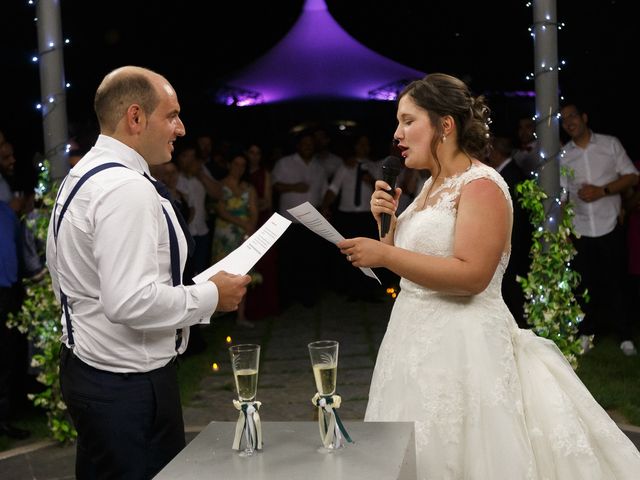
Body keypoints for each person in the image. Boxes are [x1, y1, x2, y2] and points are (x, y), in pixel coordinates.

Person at [337, 73, 640, 479]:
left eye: (408, 121)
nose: (398, 134)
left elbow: (472, 276)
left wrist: (386, 254)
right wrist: (386, 225)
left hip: (464, 347)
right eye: (398, 122)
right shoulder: (428, 187)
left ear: (445, 125)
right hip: (411, 343)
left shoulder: (481, 185)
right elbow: (404, 259)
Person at [46, 66, 251, 480]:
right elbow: (129, 301)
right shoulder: (126, 189)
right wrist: (211, 296)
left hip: (91, 369)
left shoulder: (84, 173)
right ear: (135, 118)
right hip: (126, 386)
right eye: (171, 115)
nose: (181, 128)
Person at [560, 102, 639, 356]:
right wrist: (563, 229)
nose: (569, 122)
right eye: (564, 120)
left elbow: (632, 175)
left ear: (584, 117)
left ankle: (625, 336)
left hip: (610, 225)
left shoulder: (610, 144)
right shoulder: (564, 155)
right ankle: (585, 333)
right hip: (580, 229)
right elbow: (562, 196)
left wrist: (602, 190)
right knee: (584, 285)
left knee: (616, 283)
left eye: (572, 116)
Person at [483, 135, 533, 328]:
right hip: (512, 242)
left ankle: (518, 324)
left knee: (512, 287)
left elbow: (515, 216)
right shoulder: (510, 172)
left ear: (495, 151)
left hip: (513, 242)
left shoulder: (511, 175)